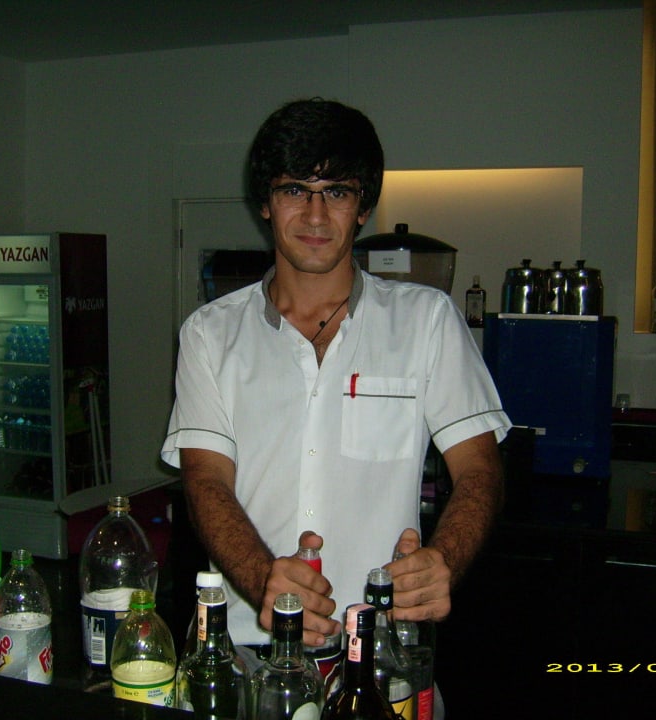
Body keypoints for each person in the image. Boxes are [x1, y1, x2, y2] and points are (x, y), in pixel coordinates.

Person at [161, 98, 510, 658]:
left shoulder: (427, 321)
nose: (316, 216)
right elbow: (206, 480)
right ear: (265, 204)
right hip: (251, 649)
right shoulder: (209, 334)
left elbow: (479, 468)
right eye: (295, 190)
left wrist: (444, 559)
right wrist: (263, 579)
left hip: (382, 648)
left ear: (363, 207)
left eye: (338, 193)